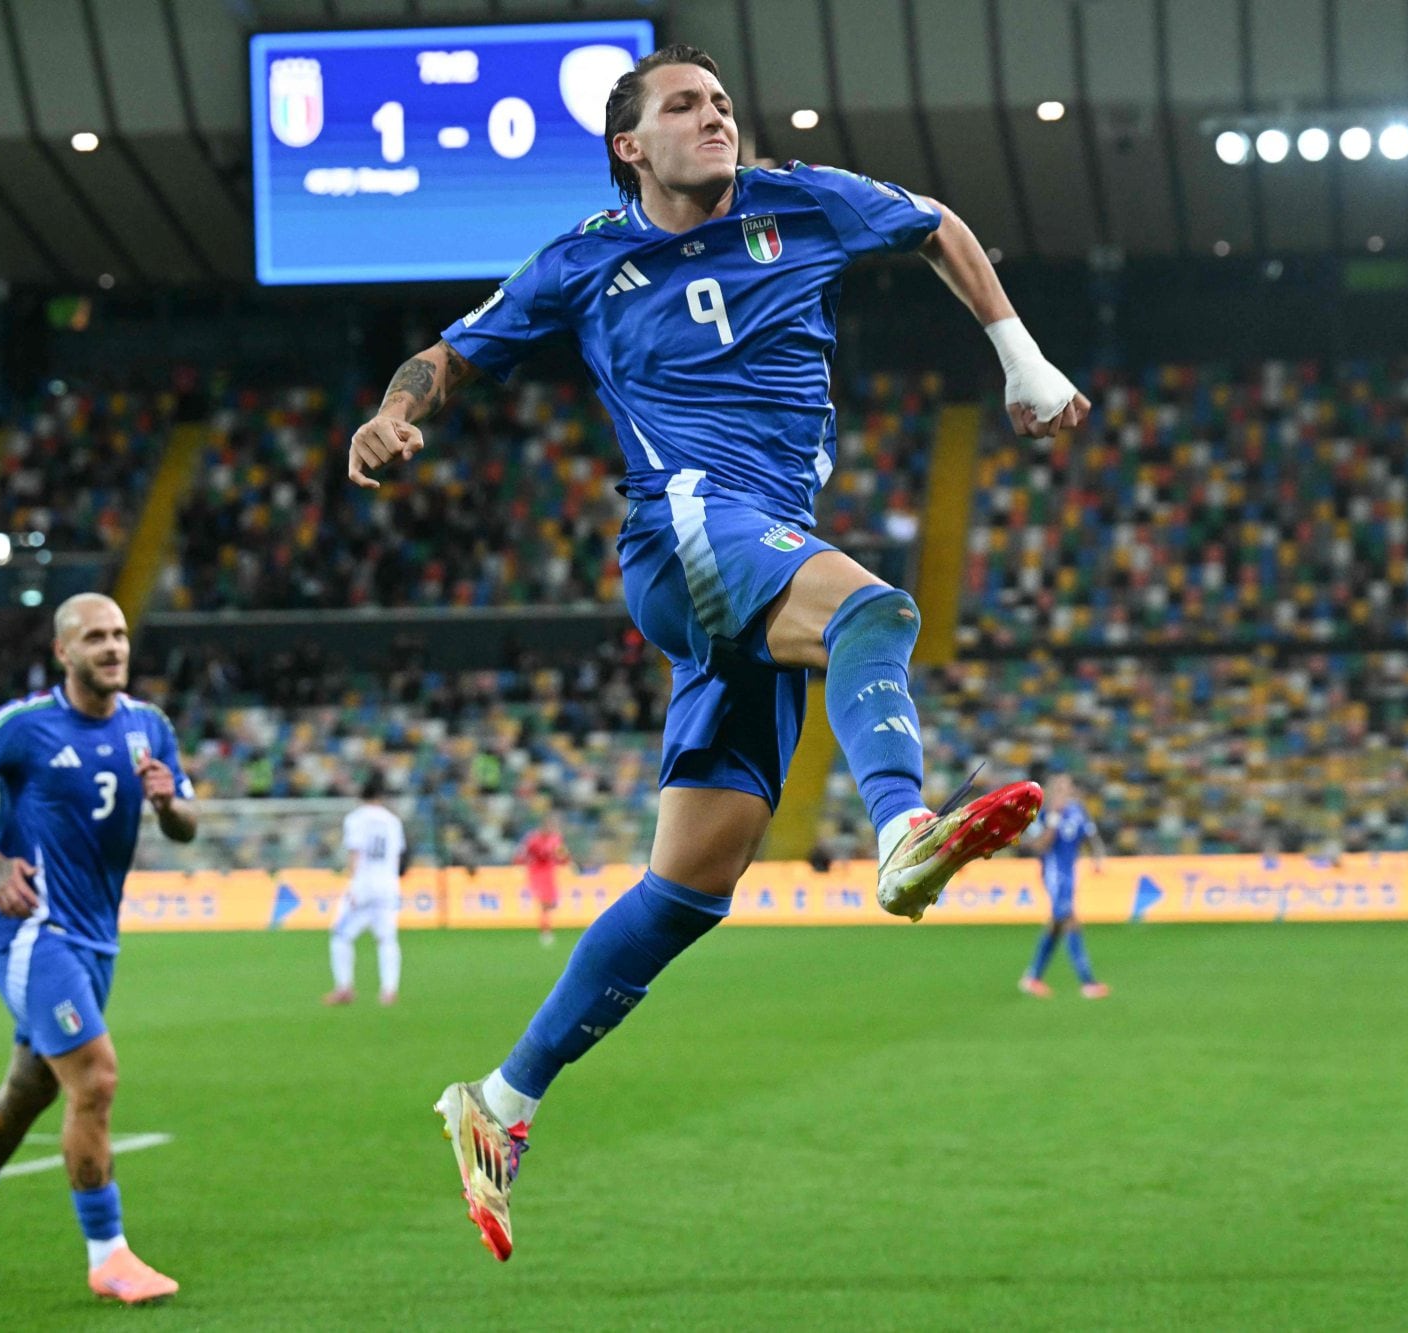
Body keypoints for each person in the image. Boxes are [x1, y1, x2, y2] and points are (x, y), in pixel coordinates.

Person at [346, 44, 1090, 1262]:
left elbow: (937, 223)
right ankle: (902, 831)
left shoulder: (804, 201)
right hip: (685, 525)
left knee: (690, 886)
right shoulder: (585, 257)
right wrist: (392, 413)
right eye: (684, 107)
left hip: (757, 549)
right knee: (870, 611)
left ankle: (500, 1098)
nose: (716, 118)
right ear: (629, 146)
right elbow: (447, 356)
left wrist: (1022, 358)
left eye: (721, 102)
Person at [0, 593, 196, 1305]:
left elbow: (188, 821)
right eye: (95, 637)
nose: (113, 647)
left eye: (120, 635)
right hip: (36, 931)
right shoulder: (24, 726)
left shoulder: (149, 727)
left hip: (98, 940)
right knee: (94, 1078)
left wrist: (168, 804)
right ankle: (110, 1255)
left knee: (30, 1089)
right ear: (64, 651)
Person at [1020, 774, 1110, 999]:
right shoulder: (1042, 814)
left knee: (1056, 926)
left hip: (1071, 873)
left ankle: (1033, 977)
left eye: (1067, 787)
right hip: (1054, 874)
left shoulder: (1077, 810)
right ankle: (1088, 982)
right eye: (1060, 788)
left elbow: (1090, 836)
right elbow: (1040, 845)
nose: (1064, 792)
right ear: (1051, 791)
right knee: (1070, 921)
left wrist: (1098, 857)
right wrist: (1053, 819)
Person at [323, 774, 408, 1006]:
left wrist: (353, 883)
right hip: (388, 885)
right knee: (387, 938)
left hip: (364, 885)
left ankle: (344, 988)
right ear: (381, 796)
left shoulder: (356, 819)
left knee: (340, 935)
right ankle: (389, 991)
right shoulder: (393, 821)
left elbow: (355, 853)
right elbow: (399, 856)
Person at [515, 813, 572, 945]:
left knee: (550, 902)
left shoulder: (556, 839)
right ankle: (546, 930)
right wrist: (519, 864)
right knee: (544, 902)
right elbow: (523, 852)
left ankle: (546, 925)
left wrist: (566, 861)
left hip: (549, 870)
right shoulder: (533, 838)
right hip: (536, 870)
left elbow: (562, 854)